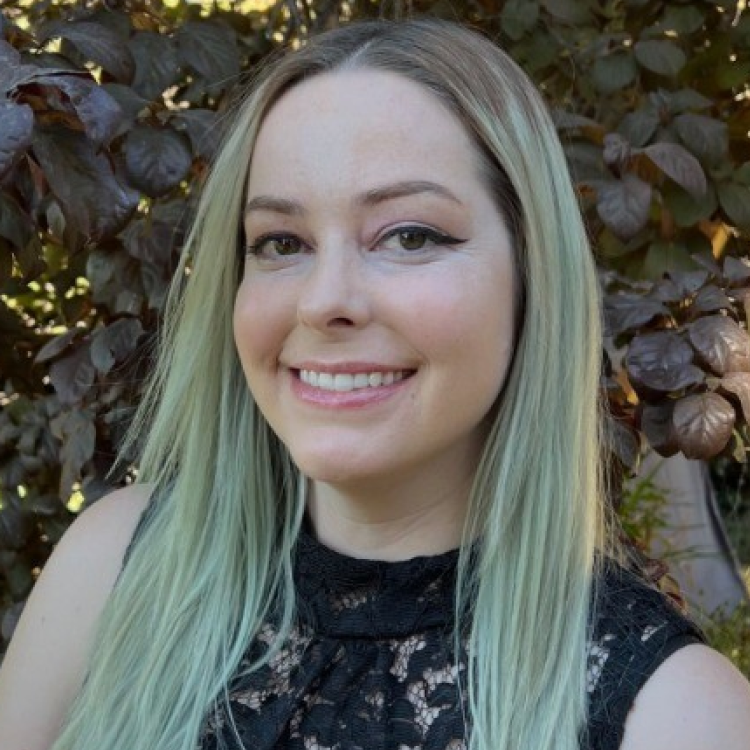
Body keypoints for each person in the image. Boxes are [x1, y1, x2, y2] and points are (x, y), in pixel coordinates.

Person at [0, 17, 749, 750]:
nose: (325, 301)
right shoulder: (114, 568)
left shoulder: (678, 715)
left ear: (531, 277)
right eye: (281, 242)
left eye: (410, 236)